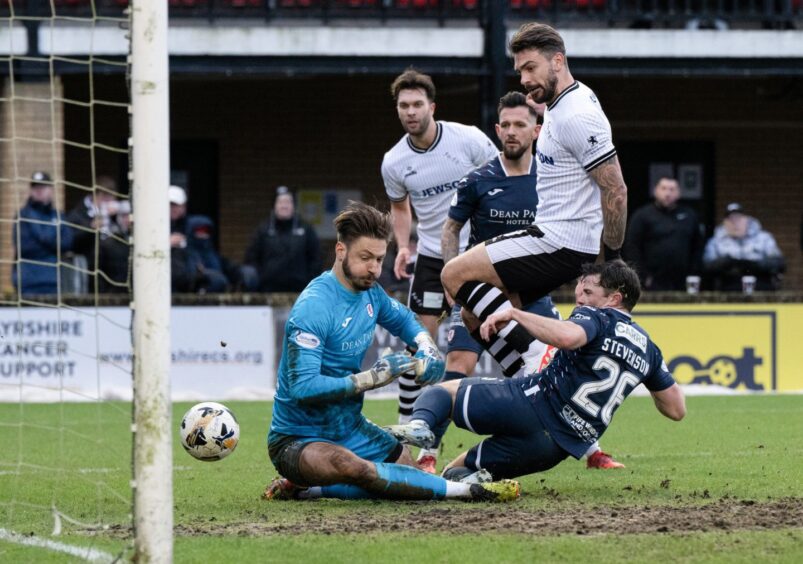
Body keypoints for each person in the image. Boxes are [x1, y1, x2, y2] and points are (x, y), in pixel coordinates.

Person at [263, 202, 519, 502]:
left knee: (408, 480)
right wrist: (369, 379)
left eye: (380, 258)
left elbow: (404, 320)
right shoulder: (313, 307)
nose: (374, 268)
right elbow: (302, 387)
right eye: (365, 258)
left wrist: (426, 348)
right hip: (298, 439)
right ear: (340, 251)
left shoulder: (371, 292)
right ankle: (468, 492)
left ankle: (305, 489)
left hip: (350, 427)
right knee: (354, 467)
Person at [439, 91, 622, 471]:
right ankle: (428, 450)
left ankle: (592, 449)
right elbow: (450, 229)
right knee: (461, 357)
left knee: (549, 363)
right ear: (496, 129)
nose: (511, 132)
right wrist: (451, 284)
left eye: (519, 124)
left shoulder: (550, 175)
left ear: (536, 131)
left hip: (529, 280)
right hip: (484, 285)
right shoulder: (479, 179)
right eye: (504, 125)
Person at [439, 22, 628, 379]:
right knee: (472, 313)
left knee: (453, 274)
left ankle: (535, 355)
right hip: (560, 238)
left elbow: (615, 189)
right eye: (520, 71)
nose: (524, 79)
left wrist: (612, 259)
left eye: (530, 68)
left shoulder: (576, 115)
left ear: (557, 61)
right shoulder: (562, 104)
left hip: (560, 241)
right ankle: (532, 381)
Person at [388, 261, 686, 482]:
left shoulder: (598, 316)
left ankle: (420, 427)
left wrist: (515, 313)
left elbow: (569, 337)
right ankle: (470, 483)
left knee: (438, 393)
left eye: (589, 292)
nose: (580, 299)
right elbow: (676, 409)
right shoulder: (650, 350)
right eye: (579, 291)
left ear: (615, 299)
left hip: (531, 404)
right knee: (455, 471)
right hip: (554, 448)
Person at [381, 68, 498, 427]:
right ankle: (407, 427)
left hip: (476, 255)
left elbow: (502, 177)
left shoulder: (468, 139)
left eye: (417, 104)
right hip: (431, 258)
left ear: (433, 106)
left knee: (506, 335)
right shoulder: (394, 161)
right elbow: (400, 208)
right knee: (419, 345)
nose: (410, 111)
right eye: (404, 105)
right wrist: (403, 247)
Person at [624, 177, 705, 291]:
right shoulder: (642, 215)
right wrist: (643, 277)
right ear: (655, 191)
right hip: (651, 281)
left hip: (682, 281)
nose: (668, 193)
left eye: (672, 189)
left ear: (679, 193)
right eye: (664, 188)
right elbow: (631, 247)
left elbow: (698, 246)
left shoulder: (689, 215)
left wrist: (693, 273)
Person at [244, 185, 320, 293]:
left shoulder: (306, 230)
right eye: (280, 202)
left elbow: (316, 259)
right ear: (274, 206)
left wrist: (308, 284)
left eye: (288, 202)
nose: (284, 206)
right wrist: (260, 280)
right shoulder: (263, 231)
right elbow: (251, 258)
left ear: (294, 206)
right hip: (268, 291)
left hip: (299, 292)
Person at [12, 171, 74, 296]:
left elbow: (67, 243)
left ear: (51, 189)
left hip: (54, 281)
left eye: (43, 186)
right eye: (35, 187)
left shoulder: (58, 215)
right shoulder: (22, 216)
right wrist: (52, 243)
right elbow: (25, 247)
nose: (39, 190)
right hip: (28, 282)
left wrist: (41, 238)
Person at [703, 202, 785, 291]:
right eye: (731, 219)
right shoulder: (716, 241)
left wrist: (754, 264)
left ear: (746, 219)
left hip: (761, 286)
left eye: (738, 218)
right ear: (725, 222)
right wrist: (726, 262)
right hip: (729, 287)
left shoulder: (764, 238)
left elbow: (779, 263)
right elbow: (707, 266)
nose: (735, 223)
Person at [66, 174, 120, 292]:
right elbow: (71, 240)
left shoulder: (117, 215)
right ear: (96, 196)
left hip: (114, 274)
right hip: (90, 273)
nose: (109, 203)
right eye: (106, 198)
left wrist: (118, 219)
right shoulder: (77, 214)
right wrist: (91, 227)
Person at [97, 200, 132, 293]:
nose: (128, 219)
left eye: (130, 215)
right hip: (113, 294)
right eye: (124, 215)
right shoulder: (108, 243)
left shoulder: (141, 242)